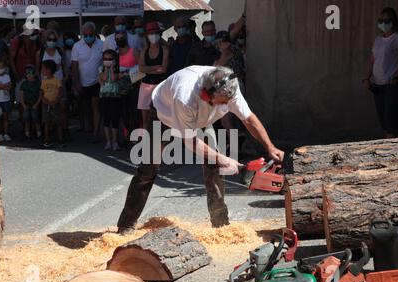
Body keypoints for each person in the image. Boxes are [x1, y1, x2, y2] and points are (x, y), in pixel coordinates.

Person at [116, 66, 285, 235]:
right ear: (206, 94)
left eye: (227, 103)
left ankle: (220, 224)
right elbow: (190, 142)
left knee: (214, 166)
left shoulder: (230, 87)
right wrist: (223, 158)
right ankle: (126, 225)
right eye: (221, 102)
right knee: (148, 169)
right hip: (164, 116)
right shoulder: (185, 96)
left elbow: (248, 119)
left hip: (199, 121)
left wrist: (270, 147)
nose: (225, 106)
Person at [362, 8, 398, 138]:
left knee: (391, 126)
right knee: (385, 125)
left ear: (393, 21)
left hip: (391, 87)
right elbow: (372, 60)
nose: (383, 23)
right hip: (377, 87)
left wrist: (396, 76)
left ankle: (393, 156)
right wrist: (366, 78)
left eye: (386, 20)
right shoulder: (378, 40)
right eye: (380, 20)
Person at [71, 22, 103, 142]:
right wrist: (77, 83)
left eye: (90, 34)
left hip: (97, 82)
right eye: (85, 35)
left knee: (95, 106)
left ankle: (96, 133)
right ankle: (89, 126)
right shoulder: (77, 46)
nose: (88, 37)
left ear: (94, 33)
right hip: (82, 83)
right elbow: (74, 66)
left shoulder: (102, 44)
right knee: (86, 107)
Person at [138, 21, 169, 131]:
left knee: (161, 117)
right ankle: (146, 143)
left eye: (156, 33)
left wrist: (148, 69)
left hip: (160, 86)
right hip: (145, 86)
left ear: (160, 34)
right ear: (147, 35)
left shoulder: (164, 49)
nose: (153, 35)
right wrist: (156, 67)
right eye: (151, 33)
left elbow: (164, 69)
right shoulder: (144, 50)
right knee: (145, 118)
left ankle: (160, 143)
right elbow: (141, 68)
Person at [214, 31, 246, 138]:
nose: (218, 46)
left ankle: (235, 148)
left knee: (226, 121)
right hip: (235, 85)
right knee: (235, 121)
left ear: (222, 41)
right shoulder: (235, 49)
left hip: (231, 86)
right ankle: (238, 147)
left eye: (218, 43)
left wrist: (215, 63)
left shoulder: (228, 50)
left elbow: (217, 67)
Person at [117, 30, 141, 138]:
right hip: (120, 88)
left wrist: (127, 73)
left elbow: (141, 68)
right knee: (124, 112)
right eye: (117, 39)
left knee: (135, 112)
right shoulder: (116, 54)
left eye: (121, 38)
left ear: (126, 38)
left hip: (134, 86)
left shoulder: (134, 51)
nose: (119, 40)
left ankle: (136, 135)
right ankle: (127, 134)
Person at [99, 49, 122, 151]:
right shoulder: (100, 68)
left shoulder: (118, 69)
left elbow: (113, 79)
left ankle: (115, 141)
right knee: (106, 118)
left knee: (115, 118)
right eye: (105, 59)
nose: (107, 60)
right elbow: (103, 78)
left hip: (115, 96)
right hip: (104, 96)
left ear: (115, 60)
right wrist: (106, 69)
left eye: (110, 59)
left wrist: (112, 68)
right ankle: (108, 141)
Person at [41, 59, 63, 148]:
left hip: (55, 104)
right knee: (47, 122)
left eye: (43, 68)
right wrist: (46, 101)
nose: (42, 71)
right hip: (46, 105)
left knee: (58, 122)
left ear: (49, 70)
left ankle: (60, 139)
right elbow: (41, 93)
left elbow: (61, 92)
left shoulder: (57, 80)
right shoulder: (43, 81)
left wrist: (55, 101)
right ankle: (47, 139)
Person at [20, 65, 42, 139]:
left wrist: (37, 104)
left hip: (35, 104)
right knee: (26, 119)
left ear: (34, 74)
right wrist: (23, 104)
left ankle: (39, 134)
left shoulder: (38, 83)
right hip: (26, 104)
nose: (29, 75)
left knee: (36, 119)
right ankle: (27, 134)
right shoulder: (24, 83)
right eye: (27, 74)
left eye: (31, 73)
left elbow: (40, 95)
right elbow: (21, 95)